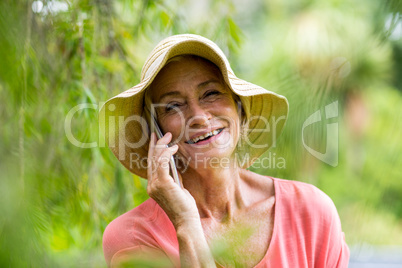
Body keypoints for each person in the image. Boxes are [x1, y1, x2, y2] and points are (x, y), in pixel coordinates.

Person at [100, 34, 350, 267]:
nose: (198, 117)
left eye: (211, 93)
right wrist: (186, 224)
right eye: (173, 106)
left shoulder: (310, 211)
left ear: (240, 110)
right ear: (155, 132)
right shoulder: (134, 235)